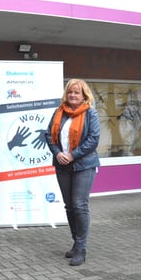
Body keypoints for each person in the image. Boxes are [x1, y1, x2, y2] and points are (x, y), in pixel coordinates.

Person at [45, 79, 100, 266]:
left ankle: (82, 249)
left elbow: (93, 139)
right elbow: (48, 136)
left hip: (84, 165)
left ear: (84, 95)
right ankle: (76, 244)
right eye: (70, 92)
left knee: (79, 205)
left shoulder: (90, 113)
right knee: (69, 206)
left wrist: (72, 155)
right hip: (62, 165)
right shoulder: (59, 112)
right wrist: (58, 153)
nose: (73, 95)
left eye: (77, 92)